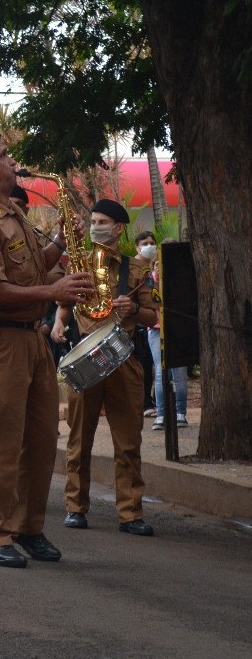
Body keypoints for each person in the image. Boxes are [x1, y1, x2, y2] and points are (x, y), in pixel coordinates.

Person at [0, 127, 93, 568]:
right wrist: (55, 293)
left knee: (41, 440)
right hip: (2, 342)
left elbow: (34, 269)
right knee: (5, 443)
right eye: (4, 155)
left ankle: (30, 528)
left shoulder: (10, 210)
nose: (13, 162)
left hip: (30, 337)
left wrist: (64, 241)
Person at [52, 200, 158, 536]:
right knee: (79, 438)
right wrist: (58, 321)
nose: (96, 225)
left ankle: (130, 513)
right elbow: (64, 303)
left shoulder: (137, 270)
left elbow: (153, 316)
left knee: (128, 440)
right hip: (87, 357)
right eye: (93, 220)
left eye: (103, 221)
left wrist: (132, 311)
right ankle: (75, 506)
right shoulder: (80, 265)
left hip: (123, 359)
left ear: (119, 228)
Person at [138, 236, 189, 428]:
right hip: (156, 330)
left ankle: (180, 412)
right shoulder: (151, 277)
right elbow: (153, 300)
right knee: (160, 372)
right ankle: (161, 413)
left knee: (180, 373)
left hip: (179, 328)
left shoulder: (184, 276)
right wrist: (157, 277)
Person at [133, 230, 157, 416]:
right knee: (144, 366)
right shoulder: (134, 268)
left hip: (153, 324)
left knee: (152, 365)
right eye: (145, 243)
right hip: (138, 327)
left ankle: (150, 400)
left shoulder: (153, 269)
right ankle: (144, 402)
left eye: (151, 243)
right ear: (137, 247)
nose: (149, 246)